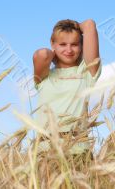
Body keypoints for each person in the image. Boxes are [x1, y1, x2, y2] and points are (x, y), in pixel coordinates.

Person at [32, 19, 102, 155]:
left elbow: (89, 25)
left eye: (75, 44)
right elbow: (42, 55)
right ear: (52, 44)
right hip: (45, 150)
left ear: (82, 46)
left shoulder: (87, 72)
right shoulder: (44, 77)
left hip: (78, 149)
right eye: (63, 44)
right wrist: (55, 53)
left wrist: (73, 26)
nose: (69, 50)